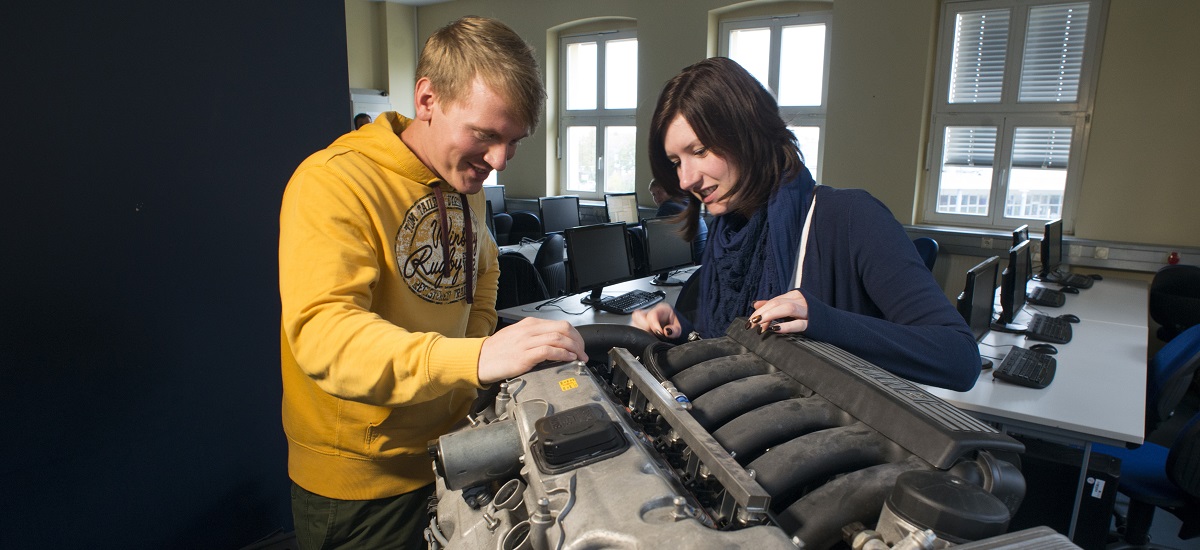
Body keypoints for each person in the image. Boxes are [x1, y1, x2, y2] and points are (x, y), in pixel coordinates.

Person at [279, 17, 588, 549]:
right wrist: (476, 358)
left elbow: (484, 267)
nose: (497, 161)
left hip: (454, 454)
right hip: (362, 487)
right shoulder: (332, 181)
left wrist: (478, 345)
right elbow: (325, 337)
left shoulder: (460, 180)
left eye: (513, 142)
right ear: (427, 99)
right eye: (486, 136)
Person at [631, 57, 978, 392]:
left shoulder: (850, 217)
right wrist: (681, 331)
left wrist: (821, 320)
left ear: (748, 133)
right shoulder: (727, 236)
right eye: (676, 161)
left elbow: (959, 358)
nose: (687, 179)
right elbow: (729, 345)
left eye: (701, 150)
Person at [649, 178, 708, 263]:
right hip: (702, 259)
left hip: (692, 262)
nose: (656, 198)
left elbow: (653, 239)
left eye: (659, 192)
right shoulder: (686, 201)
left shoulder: (667, 207)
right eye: (653, 194)